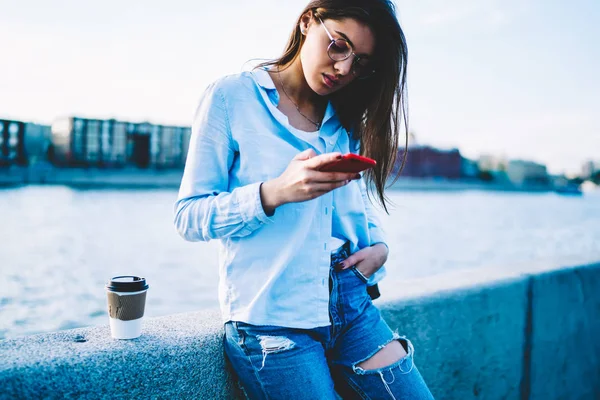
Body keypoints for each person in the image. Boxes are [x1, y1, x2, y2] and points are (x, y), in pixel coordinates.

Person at [174, 0, 434, 398]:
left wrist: (378, 244)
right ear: (308, 20)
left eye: (361, 62)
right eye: (339, 45)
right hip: (271, 319)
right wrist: (275, 192)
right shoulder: (232, 97)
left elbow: (354, 202)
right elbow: (189, 217)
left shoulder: (344, 117)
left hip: (351, 303)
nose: (345, 69)